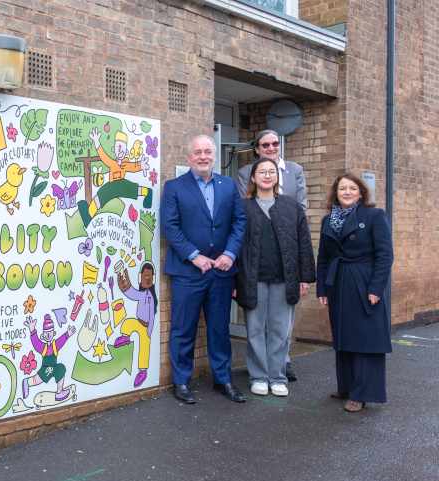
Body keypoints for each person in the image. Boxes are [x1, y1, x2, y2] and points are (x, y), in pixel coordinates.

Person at [160, 134, 247, 404]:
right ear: (189, 157)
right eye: (198, 152)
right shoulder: (174, 187)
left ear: (214, 156)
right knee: (183, 329)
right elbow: (170, 227)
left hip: (221, 272)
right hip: (188, 272)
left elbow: (239, 222)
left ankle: (223, 380)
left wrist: (230, 254)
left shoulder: (228, 186)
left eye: (207, 151)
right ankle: (182, 382)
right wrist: (194, 256)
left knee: (219, 328)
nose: (203, 156)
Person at [234, 158, 316, 397]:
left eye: (271, 172)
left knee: (281, 331)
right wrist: (233, 281)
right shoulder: (242, 207)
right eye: (262, 172)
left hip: (284, 279)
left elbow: (303, 243)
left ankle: (277, 376)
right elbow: (235, 246)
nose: (267, 175)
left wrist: (304, 277)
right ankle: (259, 376)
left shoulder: (291, 207)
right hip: (253, 279)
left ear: (277, 177)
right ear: (253, 177)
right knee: (256, 330)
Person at [316, 173, 393, 412]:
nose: (347, 192)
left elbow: (384, 255)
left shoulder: (374, 216)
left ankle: (361, 393)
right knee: (343, 337)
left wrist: (376, 288)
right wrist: (322, 288)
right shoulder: (328, 221)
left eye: (352, 188)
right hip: (338, 283)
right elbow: (324, 258)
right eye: (342, 189)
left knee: (364, 339)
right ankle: (346, 387)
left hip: (363, 283)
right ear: (335, 194)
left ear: (361, 192)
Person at [116, 262, 157, 387]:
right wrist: (123, 279)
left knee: (144, 348)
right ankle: (125, 337)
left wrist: (149, 331)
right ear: (140, 277)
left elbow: (152, 315)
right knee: (128, 323)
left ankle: (143, 371)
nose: (147, 279)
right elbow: (132, 293)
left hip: (146, 327)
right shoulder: (142, 294)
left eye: (149, 276)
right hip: (138, 322)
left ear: (152, 278)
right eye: (144, 276)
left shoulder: (149, 296)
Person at [22, 314, 76, 402]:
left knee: (61, 368)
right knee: (37, 380)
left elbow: (61, 340)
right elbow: (35, 342)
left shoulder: (55, 345)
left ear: (53, 333)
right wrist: (32, 330)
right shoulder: (42, 347)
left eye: (50, 332)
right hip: (45, 369)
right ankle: (26, 382)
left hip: (54, 368)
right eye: (46, 333)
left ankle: (59, 392)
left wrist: (67, 334)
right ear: (43, 335)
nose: (48, 335)